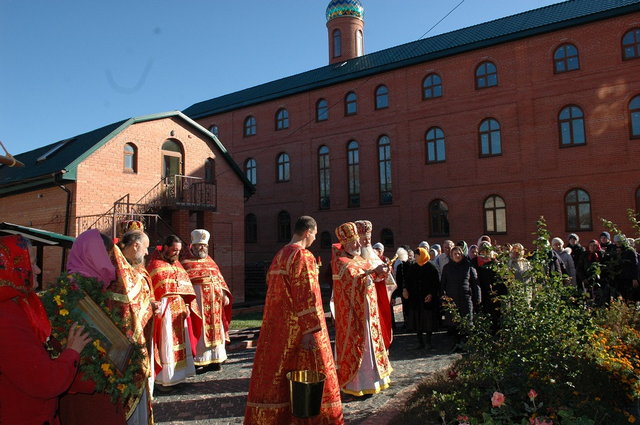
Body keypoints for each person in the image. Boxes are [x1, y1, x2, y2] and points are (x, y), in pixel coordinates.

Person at [245, 216, 343, 424]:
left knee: (278, 375)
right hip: (299, 329)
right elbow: (306, 294)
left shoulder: (280, 255)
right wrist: (310, 330)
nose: (315, 238)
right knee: (308, 373)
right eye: (315, 234)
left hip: (277, 328)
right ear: (308, 232)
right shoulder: (302, 255)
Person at [0, 235, 91, 425]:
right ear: (13, 267)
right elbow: (43, 381)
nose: (38, 270)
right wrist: (73, 350)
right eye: (31, 263)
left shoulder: (21, 303)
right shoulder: (6, 317)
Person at [331, 222, 392, 396]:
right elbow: (352, 280)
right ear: (345, 244)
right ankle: (357, 385)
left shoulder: (359, 259)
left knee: (371, 347)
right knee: (361, 348)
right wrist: (371, 272)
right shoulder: (341, 261)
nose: (358, 244)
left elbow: (372, 277)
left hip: (369, 314)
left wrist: (382, 272)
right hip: (354, 316)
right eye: (353, 242)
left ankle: (374, 381)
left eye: (358, 240)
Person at [147, 235, 202, 389]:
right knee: (166, 344)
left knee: (181, 343)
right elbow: (151, 289)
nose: (176, 253)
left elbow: (186, 287)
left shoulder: (178, 265)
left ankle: (179, 376)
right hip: (165, 312)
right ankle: (164, 379)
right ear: (165, 247)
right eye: (174, 250)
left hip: (179, 311)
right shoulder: (154, 265)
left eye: (178, 250)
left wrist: (187, 305)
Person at [182, 229, 233, 372]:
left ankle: (216, 359)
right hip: (198, 304)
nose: (202, 248)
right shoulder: (185, 263)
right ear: (193, 246)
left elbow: (219, 279)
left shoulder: (211, 262)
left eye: (204, 245)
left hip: (215, 304)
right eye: (199, 245)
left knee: (217, 330)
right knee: (200, 330)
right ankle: (200, 360)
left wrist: (224, 294)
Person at [356, 220, 397, 350]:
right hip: (359, 302)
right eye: (364, 239)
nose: (367, 242)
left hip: (375, 299)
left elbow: (383, 281)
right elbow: (354, 277)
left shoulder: (373, 256)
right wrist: (374, 272)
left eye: (369, 239)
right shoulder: (353, 258)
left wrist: (384, 273)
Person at [440, 244, 480, 351]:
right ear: (451, 255)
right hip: (452, 299)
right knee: (454, 323)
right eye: (455, 254)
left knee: (467, 321)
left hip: (466, 298)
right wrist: (443, 297)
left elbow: (475, 283)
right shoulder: (447, 268)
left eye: (459, 254)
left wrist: (478, 297)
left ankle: (466, 343)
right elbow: (443, 284)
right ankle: (457, 343)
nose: (457, 256)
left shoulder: (468, 266)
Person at [403, 247, 439, 350]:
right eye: (415, 256)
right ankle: (420, 342)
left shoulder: (431, 268)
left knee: (428, 321)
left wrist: (431, 294)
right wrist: (405, 289)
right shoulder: (413, 267)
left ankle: (428, 342)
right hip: (415, 299)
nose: (415, 257)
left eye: (417, 255)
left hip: (427, 299)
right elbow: (407, 280)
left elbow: (436, 283)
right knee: (417, 321)